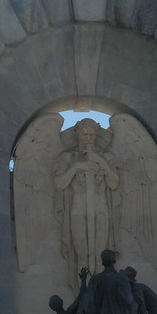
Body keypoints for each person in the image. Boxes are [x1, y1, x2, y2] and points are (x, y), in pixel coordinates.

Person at [52, 118, 120, 287]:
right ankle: (84, 295)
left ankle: (101, 293)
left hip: (101, 208)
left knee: (101, 255)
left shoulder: (106, 157)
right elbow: (59, 184)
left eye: (92, 134)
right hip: (78, 209)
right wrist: (77, 167)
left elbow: (114, 183)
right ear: (77, 134)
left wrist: (100, 161)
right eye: (85, 134)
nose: (88, 138)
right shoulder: (67, 157)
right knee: (82, 254)